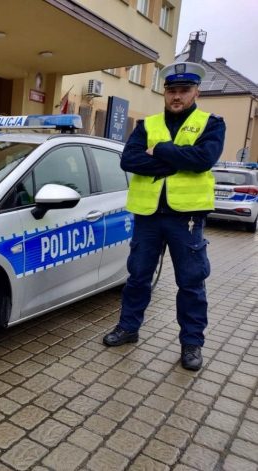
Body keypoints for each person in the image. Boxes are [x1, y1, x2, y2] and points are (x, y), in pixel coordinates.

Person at [102, 61, 226, 371]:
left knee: (191, 282)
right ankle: (128, 328)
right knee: (138, 277)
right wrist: (177, 160)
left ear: (196, 91)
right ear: (165, 92)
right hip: (148, 215)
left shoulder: (211, 123)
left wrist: (158, 151)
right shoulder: (147, 124)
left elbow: (203, 159)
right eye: (172, 90)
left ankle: (192, 343)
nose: (177, 96)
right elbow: (128, 161)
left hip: (186, 217)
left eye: (184, 90)